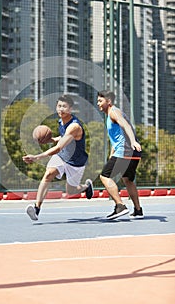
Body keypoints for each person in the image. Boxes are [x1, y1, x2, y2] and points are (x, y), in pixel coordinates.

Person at [23, 94, 93, 220]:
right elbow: (63, 137)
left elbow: (59, 147)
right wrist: (52, 139)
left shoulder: (74, 126)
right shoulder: (61, 121)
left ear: (71, 109)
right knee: (48, 174)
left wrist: (37, 157)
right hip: (62, 156)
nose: (61, 109)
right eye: (59, 106)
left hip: (76, 162)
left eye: (64, 107)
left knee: (71, 191)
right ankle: (36, 208)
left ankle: (87, 186)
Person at [97, 90, 143, 220]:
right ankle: (138, 210)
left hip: (127, 150)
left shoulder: (114, 112)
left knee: (105, 176)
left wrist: (133, 140)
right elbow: (117, 138)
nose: (98, 103)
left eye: (100, 100)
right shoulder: (110, 115)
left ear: (109, 101)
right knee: (127, 179)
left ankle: (120, 206)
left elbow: (126, 125)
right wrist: (112, 154)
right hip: (133, 152)